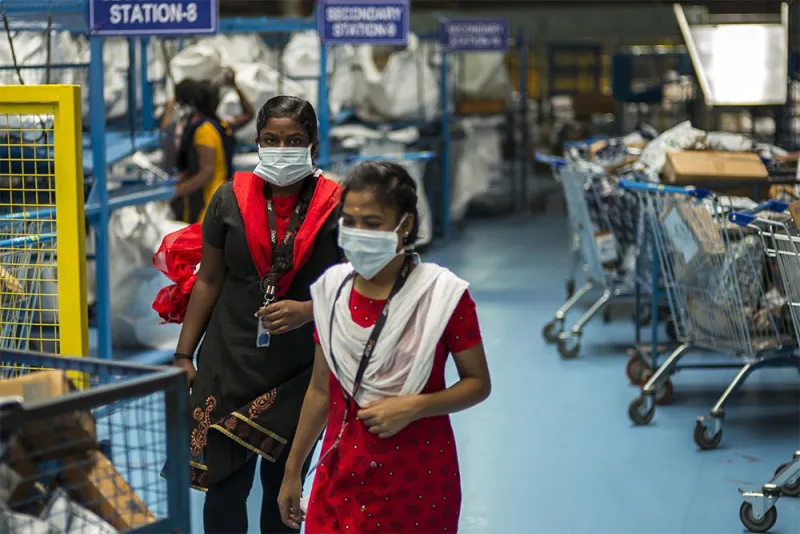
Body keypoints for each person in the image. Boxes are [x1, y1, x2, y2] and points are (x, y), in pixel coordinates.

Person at [159, 95, 342, 533]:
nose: (282, 149)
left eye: (294, 140)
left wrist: (307, 310)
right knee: (225, 489)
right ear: (257, 142)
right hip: (228, 359)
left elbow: (356, 289)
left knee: (284, 490)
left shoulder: (337, 206)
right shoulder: (229, 199)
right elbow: (208, 280)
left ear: (313, 145)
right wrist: (185, 355)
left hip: (301, 367)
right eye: (271, 140)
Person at [277, 161, 492, 533]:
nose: (358, 232)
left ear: (404, 226)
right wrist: (292, 470)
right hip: (339, 473)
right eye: (350, 220)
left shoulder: (442, 296)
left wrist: (415, 406)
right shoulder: (331, 291)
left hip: (417, 478)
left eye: (373, 223)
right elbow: (318, 391)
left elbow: (477, 383)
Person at [164, 72, 254, 223]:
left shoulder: (203, 130)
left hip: (208, 202)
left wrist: (177, 190)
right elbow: (248, 114)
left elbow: (207, 172)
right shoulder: (222, 124)